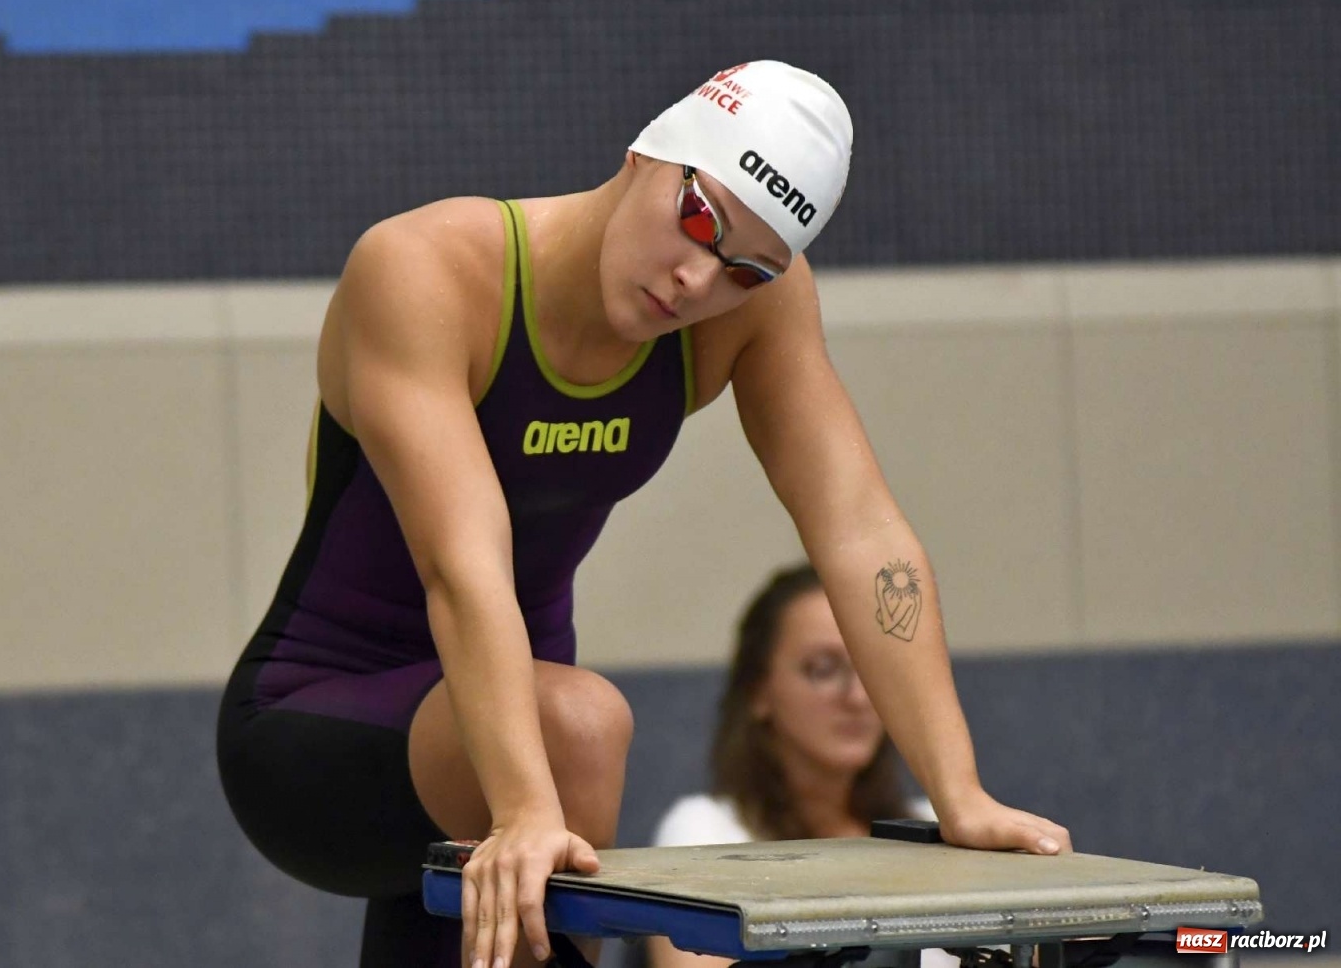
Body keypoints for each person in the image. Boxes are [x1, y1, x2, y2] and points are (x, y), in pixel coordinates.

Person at [215, 60, 1071, 968]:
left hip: (517, 737)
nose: (698, 279)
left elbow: (859, 532)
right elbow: (462, 564)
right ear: (643, 154)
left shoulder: (754, 310)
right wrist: (525, 807)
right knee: (579, 728)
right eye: (697, 218)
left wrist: (960, 793)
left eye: (745, 267)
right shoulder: (431, 270)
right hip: (314, 726)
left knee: (530, 825)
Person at [646, 563, 953, 968]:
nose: (858, 697)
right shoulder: (704, 835)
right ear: (759, 691)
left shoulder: (932, 827)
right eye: (823, 669)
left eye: (871, 669)